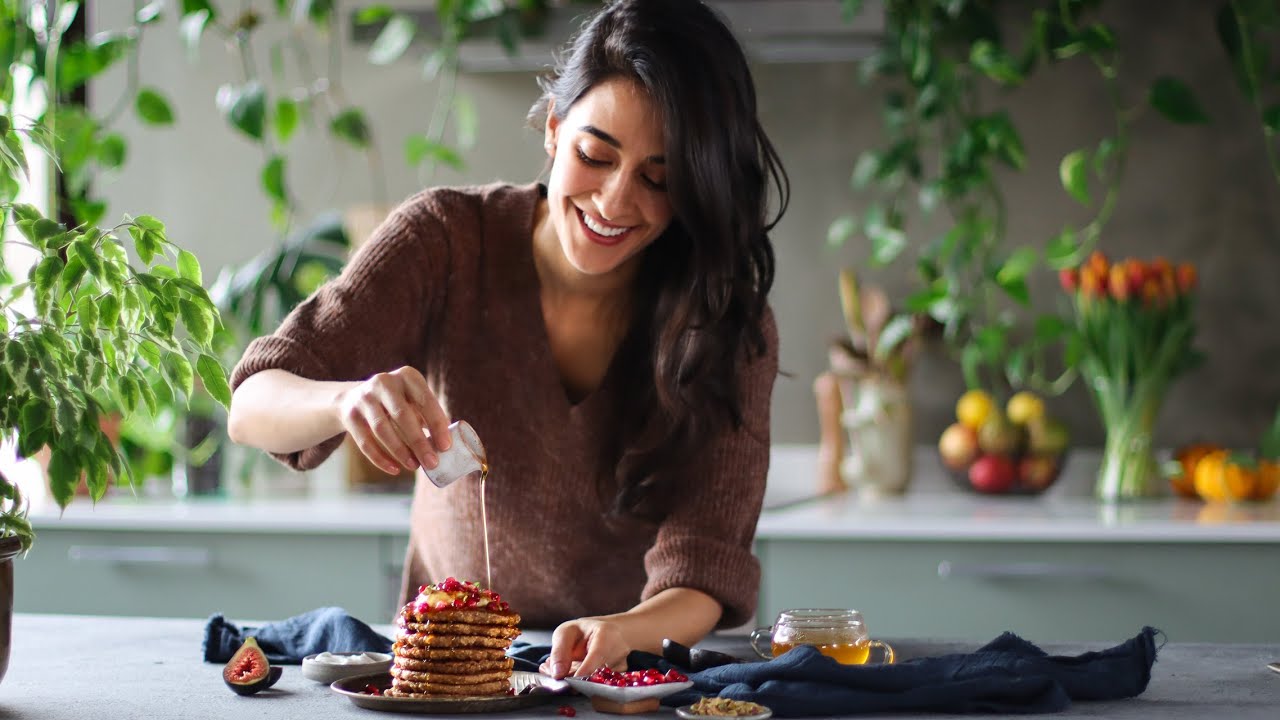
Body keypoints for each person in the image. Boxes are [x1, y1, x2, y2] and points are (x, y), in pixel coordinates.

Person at [226, 0, 788, 680]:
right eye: (594, 155)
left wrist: (620, 633)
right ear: (554, 128)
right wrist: (347, 401)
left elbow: (705, 565)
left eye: (657, 179)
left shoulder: (728, 322)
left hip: (623, 680)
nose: (613, 202)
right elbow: (253, 404)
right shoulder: (444, 240)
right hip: (447, 679)